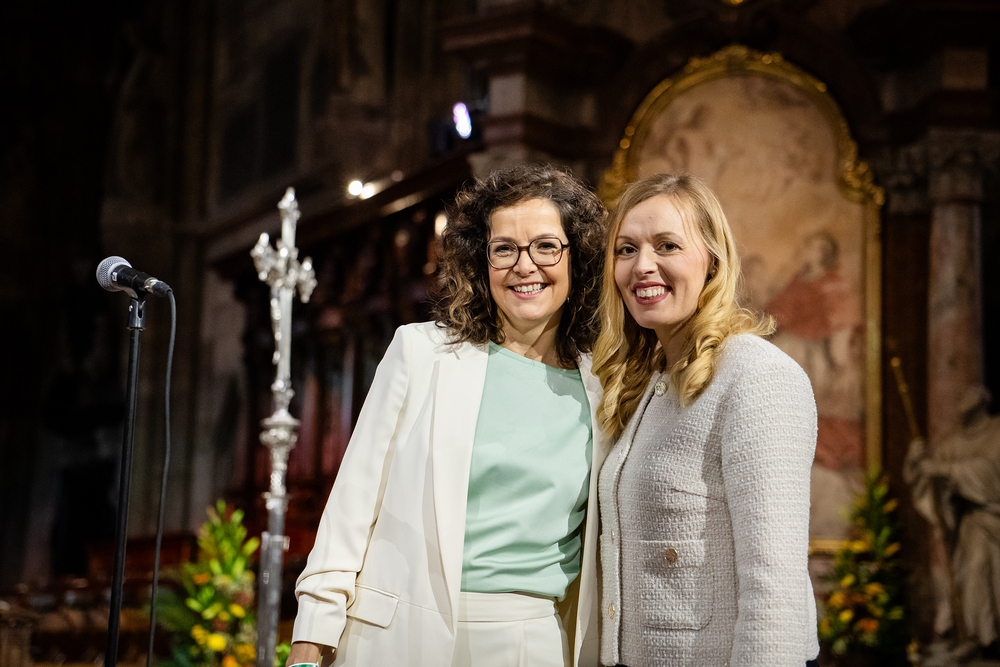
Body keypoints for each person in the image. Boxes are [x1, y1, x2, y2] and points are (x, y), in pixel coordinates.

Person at [286, 164, 608, 667]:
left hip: (533, 642)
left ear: (577, 258)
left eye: (546, 246)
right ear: (481, 261)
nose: (525, 266)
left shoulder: (603, 387)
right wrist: (310, 640)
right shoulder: (420, 352)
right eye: (504, 249)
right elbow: (352, 504)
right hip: (398, 636)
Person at [591, 172, 819, 667]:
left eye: (667, 245)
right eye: (626, 249)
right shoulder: (648, 377)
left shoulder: (756, 375)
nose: (642, 266)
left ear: (713, 261)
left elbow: (774, 585)